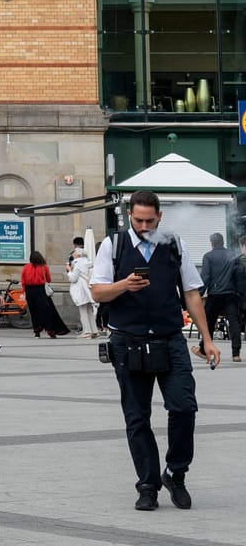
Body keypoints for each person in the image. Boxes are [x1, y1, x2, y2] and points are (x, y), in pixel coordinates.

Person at [90, 190, 220, 512]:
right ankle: (148, 484)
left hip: (170, 338)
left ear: (160, 217)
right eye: (138, 220)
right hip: (127, 341)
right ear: (129, 217)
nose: (144, 226)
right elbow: (97, 291)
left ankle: (176, 472)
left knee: (184, 407)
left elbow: (191, 293)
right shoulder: (114, 245)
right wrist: (124, 285)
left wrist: (207, 338)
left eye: (150, 220)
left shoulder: (174, 245)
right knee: (137, 417)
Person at [197, 233, 239, 363]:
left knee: (208, 322)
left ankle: (204, 350)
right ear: (222, 242)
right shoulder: (232, 255)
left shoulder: (208, 256)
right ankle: (236, 353)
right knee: (234, 323)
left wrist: (199, 294)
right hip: (230, 294)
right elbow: (237, 275)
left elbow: (206, 277)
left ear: (212, 243)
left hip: (215, 295)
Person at [20, 250, 72, 339]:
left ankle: (37, 331)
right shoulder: (44, 267)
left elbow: (23, 281)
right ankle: (50, 330)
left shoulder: (26, 267)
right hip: (40, 290)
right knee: (47, 311)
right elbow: (48, 280)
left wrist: (24, 291)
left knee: (34, 312)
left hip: (29, 291)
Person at [68, 241, 101, 340]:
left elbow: (73, 278)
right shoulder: (88, 262)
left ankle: (87, 331)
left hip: (81, 289)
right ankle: (94, 330)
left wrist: (69, 271)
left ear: (78, 255)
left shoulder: (77, 264)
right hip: (88, 289)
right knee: (89, 311)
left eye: (74, 253)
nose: (73, 255)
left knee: (83, 311)